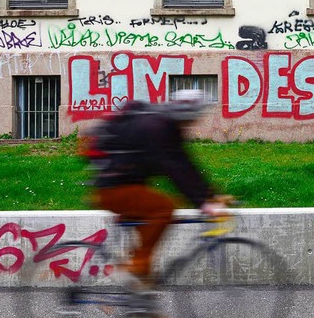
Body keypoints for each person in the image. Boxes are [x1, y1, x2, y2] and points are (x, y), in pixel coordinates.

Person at [86, 89, 227, 288]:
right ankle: (136, 266)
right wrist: (203, 203)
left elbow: (185, 164)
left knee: (152, 226)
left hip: (125, 185)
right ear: (189, 115)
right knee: (163, 208)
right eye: (197, 117)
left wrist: (211, 196)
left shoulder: (167, 126)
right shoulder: (157, 128)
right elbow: (174, 168)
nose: (197, 122)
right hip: (113, 190)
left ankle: (141, 298)